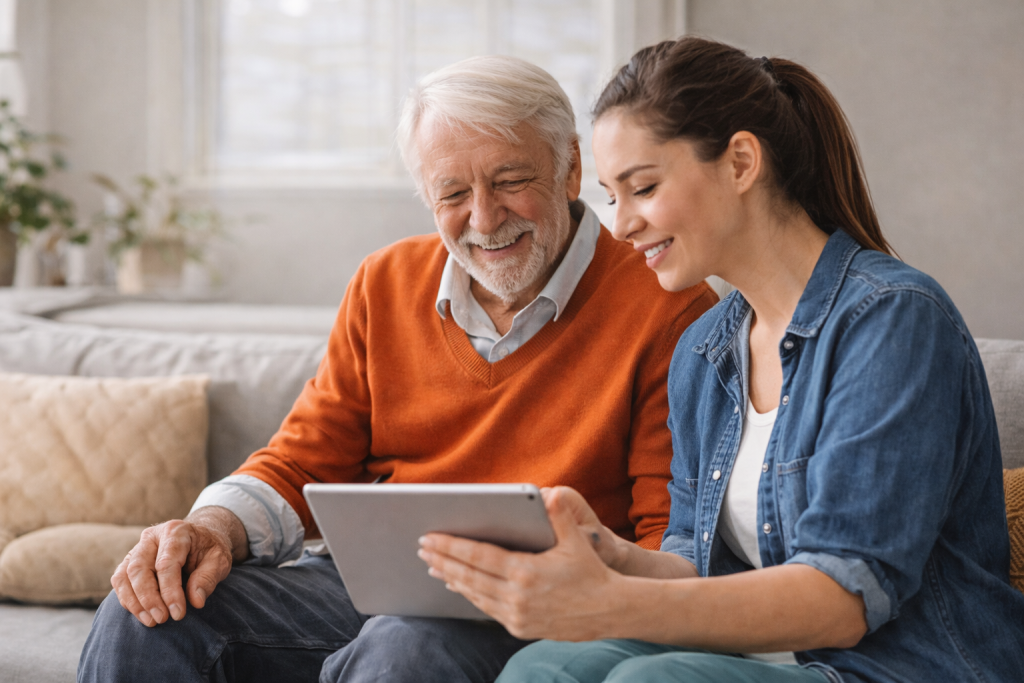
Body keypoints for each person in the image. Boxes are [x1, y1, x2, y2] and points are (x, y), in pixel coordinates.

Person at [76, 55, 717, 683]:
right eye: (453, 194)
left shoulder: (669, 303)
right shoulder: (384, 282)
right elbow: (304, 459)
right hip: (371, 589)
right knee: (148, 616)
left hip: (536, 609)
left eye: (511, 180)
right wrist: (208, 528)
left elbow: (670, 538)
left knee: (406, 642)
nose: (485, 218)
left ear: (571, 167)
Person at [418, 37, 1024, 682]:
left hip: (901, 667)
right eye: (611, 196)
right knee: (545, 666)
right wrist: (609, 555)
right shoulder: (704, 349)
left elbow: (845, 596)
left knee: (647, 681)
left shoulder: (894, 318)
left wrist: (607, 603)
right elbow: (697, 561)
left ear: (739, 163)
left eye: (642, 187)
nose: (619, 225)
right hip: (765, 661)